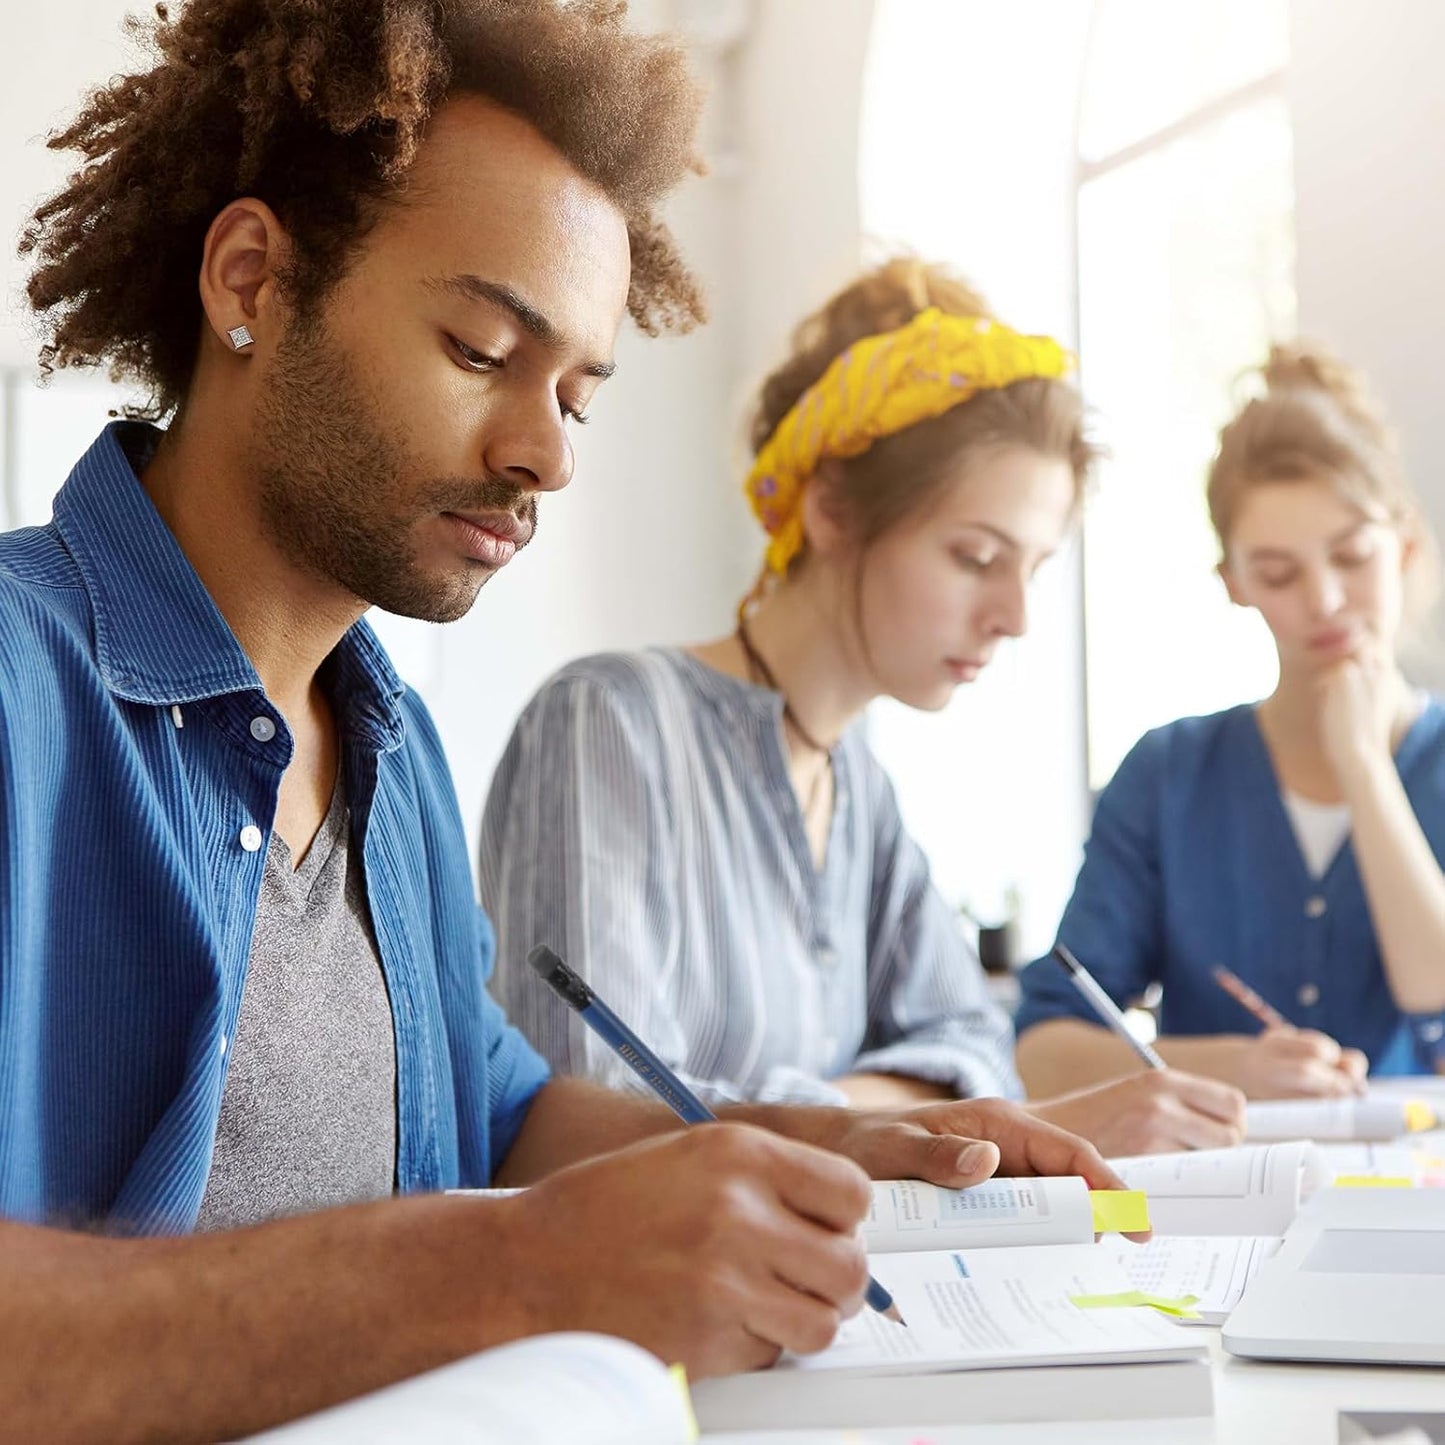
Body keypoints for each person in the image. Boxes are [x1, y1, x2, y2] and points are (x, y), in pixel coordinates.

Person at [0, 3, 1123, 1440]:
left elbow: (501, 1108)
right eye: (480, 349)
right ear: (252, 279)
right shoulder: (27, 686)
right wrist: (510, 1271)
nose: (543, 453)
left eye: (577, 394)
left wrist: (829, 1148)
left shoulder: (387, 752)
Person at [481, 259, 1246, 1157]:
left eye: (1031, 569)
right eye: (974, 555)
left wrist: (834, 1110)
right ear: (831, 509)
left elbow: (979, 1052)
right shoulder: (608, 723)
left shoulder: (861, 797)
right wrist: (873, 1111)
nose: (1016, 616)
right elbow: (591, 1114)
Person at [1015, 344, 1445, 1099]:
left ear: (1404, 544)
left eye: (1350, 556)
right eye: (1278, 573)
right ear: (1234, 582)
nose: (1324, 601)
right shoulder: (1168, 774)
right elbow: (1045, 1046)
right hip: (1219, 1196)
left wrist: (1364, 767)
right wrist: (1229, 1066)